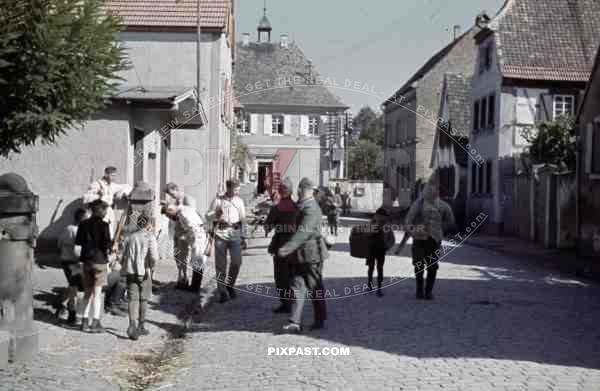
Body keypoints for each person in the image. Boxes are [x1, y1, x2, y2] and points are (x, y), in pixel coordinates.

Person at [278, 177, 328, 333]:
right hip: (299, 255)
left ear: (306, 190)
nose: (297, 191)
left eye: (300, 189)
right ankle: (294, 322)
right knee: (297, 286)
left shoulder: (311, 208)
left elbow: (304, 232)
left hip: (311, 254)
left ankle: (320, 318)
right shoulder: (302, 205)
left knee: (315, 286)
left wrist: (287, 248)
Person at [404, 179, 455, 300]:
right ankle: (419, 290)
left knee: (432, 266)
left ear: (437, 191)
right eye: (429, 189)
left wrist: (441, 228)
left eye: (435, 189)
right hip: (420, 239)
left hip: (435, 240)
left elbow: (450, 221)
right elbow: (408, 220)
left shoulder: (443, 206)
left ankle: (428, 291)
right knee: (418, 264)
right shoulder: (418, 204)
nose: (432, 191)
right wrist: (414, 230)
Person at [206, 180, 247, 303]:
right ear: (228, 188)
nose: (237, 192)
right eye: (235, 189)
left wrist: (244, 237)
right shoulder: (218, 200)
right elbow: (207, 216)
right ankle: (222, 291)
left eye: (237, 189)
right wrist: (215, 214)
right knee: (221, 265)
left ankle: (230, 284)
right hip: (221, 234)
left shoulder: (239, 201)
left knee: (236, 262)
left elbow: (243, 219)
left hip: (235, 234)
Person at [76, 199, 112, 333]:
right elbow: (106, 244)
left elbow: (78, 242)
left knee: (87, 293)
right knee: (97, 294)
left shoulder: (83, 224)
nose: (106, 213)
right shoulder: (104, 225)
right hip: (100, 261)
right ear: (100, 210)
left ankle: (84, 322)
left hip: (86, 262)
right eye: (105, 210)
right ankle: (95, 322)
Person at [121, 212, 158, 340]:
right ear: (148, 224)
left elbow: (123, 254)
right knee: (144, 298)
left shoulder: (129, 237)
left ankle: (132, 324)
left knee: (133, 298)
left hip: (131, 271)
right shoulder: (150, 237)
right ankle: (141, 325)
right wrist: (152, 267)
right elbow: (154, 257)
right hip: (145, 271)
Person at [264, 177, 298, 314]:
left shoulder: (277, 208)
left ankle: (286, 304)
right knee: (294, 276)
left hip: (281, 246)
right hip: (296, 246)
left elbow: (267, 228)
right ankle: (295, 303)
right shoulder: (298, 207)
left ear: (280, 191)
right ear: (291, 191)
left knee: (281, 277)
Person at [162, 203, 208, 294]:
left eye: (169, 215)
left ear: (171, 209)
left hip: (198, 237)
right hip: (197, 236)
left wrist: (185, 236)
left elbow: (193, 228)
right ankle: (194, 286)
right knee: (197, 262)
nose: (169, 217)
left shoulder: (182, 213)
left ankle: (195, 287)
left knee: (198, 262)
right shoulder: (184, 210)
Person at [164, 182, 200, 290]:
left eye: (172, 193)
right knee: (178, 257)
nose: (171, 196)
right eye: (170, 195)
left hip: (186, 233)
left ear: (176, 189)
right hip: (178, 231)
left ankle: (184, 279)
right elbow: (176, 217)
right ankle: (182, 277)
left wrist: (174, 211)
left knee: (184, 256)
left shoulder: (188, 199)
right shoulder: (175, 201)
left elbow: (190, 217)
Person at [56, 208, 88, 325]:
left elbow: (59, 244)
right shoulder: (79, 232)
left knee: (72, 286)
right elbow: (78, 251)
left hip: (65, 261)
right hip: (74, 263)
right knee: (77, 289)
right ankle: (72, 314)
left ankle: (66, 309)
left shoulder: (67, 228)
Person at [82, 166, 131, 239]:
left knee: (108, 234)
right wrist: (99, 196)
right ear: (106, 175)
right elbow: (85, 198)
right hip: (97, 212)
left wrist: (122, 194)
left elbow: (127, 186)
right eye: (112, 175)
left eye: (115, 175)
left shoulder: (112, 185)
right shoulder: (96, 184)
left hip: (107, 213)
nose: (114, 178)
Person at [365, 208, 395, 297]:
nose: (380, 218)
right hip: (371, 249)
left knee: (380, 268)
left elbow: (392, 239)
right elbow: (366, 234)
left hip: (381, 249)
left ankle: (379, 288)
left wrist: (387, 246)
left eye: (382, 217)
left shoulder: (387, 226)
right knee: (371, 267)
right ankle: (369, 285)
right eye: (378, 216)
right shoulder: (372, 223)